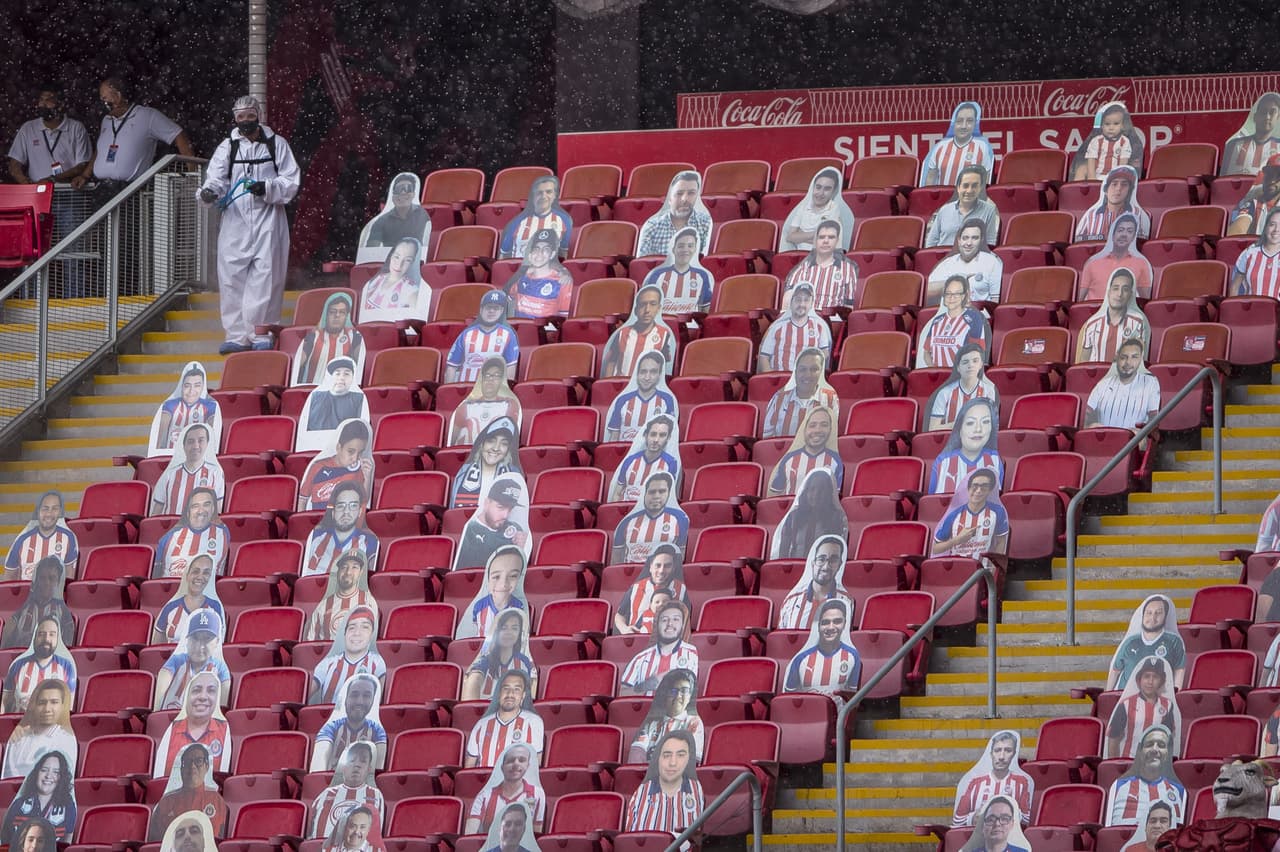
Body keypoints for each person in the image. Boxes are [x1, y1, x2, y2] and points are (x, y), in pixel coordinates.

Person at [196, 95, 298, 353]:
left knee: (266, 275)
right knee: (231, 276)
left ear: (258, 115)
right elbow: (216, 179)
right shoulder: (227, 148)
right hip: (236, 220)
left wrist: (267, 187)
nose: (245, 121)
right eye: (240, 117)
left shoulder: (277, 144)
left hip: (268, 219)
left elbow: (291, 181)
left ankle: (261, 332)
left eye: (249, 116)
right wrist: (208, 193)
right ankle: (237, 335)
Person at [78, 75, 194, 189]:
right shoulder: (106, 120)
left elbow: (179, 135)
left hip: (130, 191)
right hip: (102, 189)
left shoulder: (147, 115)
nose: (103, 104)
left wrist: (193, 174)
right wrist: (85, 175)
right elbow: (100, 151)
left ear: (118, 95)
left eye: (105, 99)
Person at [623, 729, 704, 838]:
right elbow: (630, 840)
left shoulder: (694, 789)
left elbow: (693, 840)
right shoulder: (641, 791)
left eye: (680, 755)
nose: (673, 762)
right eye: (667, 755)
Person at [1105, 724, 1186, 826]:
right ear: (1140, 752)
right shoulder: (1119, 786)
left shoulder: (1178, 790)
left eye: (1161, 745)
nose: (1154, 749)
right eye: (1149, 744)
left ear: (1168, 754)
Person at [154, 672, 231, 777]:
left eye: (211, 691)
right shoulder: (171, 730)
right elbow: (158, 776)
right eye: (196, 690)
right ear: (187, 697)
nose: (203, 697)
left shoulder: (224, 730)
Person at [951, 730, 1033, 828]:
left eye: (1007, 750)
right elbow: (957, 822)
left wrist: (1009, 814)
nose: (1001, 757)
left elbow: (1028, 820)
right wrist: (973, 818)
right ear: (991, 754)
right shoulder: (975, 783)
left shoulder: (1021, 782)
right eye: (997, 750)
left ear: (1014, 754)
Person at [154, 608, 231, 711]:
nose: (200, 646)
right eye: (195, 638)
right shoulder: (177, 661)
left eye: (207, 639)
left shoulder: (221, 669)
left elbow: (222, 710)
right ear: (187, 640)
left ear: (217, 641)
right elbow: (163, 678)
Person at [147, 744, 229, 841]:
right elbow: (154, 844)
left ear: (206, 766)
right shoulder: (166, 802)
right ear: (181, 769)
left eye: (198, 761)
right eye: (187, 762)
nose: (192, 766)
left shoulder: (217, 801)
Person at [465, 670, 545, 769]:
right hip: (484, 783)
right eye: (506, 688)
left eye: (516, 689)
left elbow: (536, 765)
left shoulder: (533, 722)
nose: (510, 694)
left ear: (523, 696)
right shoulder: (481, 725)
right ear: (499, 694)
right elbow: (469, 766)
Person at [1107, 595, 1186, 691]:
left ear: (1165, 616)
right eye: (1149, 613)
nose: (1153, 617)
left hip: (1159, 701)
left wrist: (1175, 696)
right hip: (1125, 701)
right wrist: (1107, 697)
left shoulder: (1174, 642)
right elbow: (1115, 671)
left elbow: (1179, 670)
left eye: (1158, 613)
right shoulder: (1130, 642)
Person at [310, 606, 386, 706]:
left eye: (365, 627)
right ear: (345, 633)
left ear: (371, 634)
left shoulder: (379, 662)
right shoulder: (327, 663)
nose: (357, 633)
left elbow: (378, 702)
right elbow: (304, 694)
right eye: (352, 627)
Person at [311, 672, 387, 772]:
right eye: (354, 695)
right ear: (345, 699)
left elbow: (377, 770)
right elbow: (320, 759)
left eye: (366, 696)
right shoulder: (331, 728)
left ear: (373, 701)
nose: (360, 701)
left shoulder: (377, 731)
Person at [620, 600, 699, 696]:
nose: (670, 623)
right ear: (657, 625)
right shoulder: (640, 658)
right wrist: (646, 685)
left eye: (676, 619)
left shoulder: (694, 654)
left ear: (683, 626)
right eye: (664, 620)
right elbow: (622, 694)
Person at [1, 680, 76, 781]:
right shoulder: (18, 737)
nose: (47, 709)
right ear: (34, 706)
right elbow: (8, 777)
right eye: (42, 703)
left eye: (54, 702)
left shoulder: (67, 740)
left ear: (63, 706)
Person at [1107, 657, 1180, 761]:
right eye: (1146, 676)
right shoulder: (1126, 704)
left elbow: (1168, 739)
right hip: (1129, 764)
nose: (1150, 681)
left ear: (1161, 681)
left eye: (1155, 677)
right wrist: (1115, 768)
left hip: (1156, 766)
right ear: (1139, 679)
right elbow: (1113, 739)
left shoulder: (1168, 705)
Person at [783, 598, 862, 694]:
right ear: (818, 625)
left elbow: (852, 698)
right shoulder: (800, 660)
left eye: (837, 621)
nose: (831, 627)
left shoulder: (852, 656)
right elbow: (790, 698)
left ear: (845, 624)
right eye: (825, 622)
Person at [465, 742, 546, 834]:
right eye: (510, 760)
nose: (516, 764)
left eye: (522, 760)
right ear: (502, 767)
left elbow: (535, 836)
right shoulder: (484, 796)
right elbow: (469, 836)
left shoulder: (538, 794)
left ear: (528, 765)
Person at [309, 742, 384, 841]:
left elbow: (376, 836)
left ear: (368, 769)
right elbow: (309, 830)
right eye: (352, 760)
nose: (357, 765)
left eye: (363, 761)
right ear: (344, 767)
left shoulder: (376, 795)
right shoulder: (326, 793)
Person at [303, 481, 379, 579]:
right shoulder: (315, 538)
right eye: (341, 506)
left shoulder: (370, 542)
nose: (346, 511)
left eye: (353, 506)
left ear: (360, 511)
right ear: (333, 511)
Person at [454, 475, 532, 571]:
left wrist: (524, 548)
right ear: (486, 503)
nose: (505, 515)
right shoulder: (469, 530)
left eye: (510, 509)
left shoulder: (514, 530)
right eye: (500, 507)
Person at [600, 284, 678, 379]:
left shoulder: (665, 334)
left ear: (658, 308)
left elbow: (666, 368)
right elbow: (611, 362)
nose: (647, 310)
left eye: (652, 304)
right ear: (636, 310)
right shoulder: (622, 333)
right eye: (643, 304)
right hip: (620, 387)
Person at [611, 471, 690, 566]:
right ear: (644, 494)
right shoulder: (627, 522)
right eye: (652, 492)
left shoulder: (680, 519)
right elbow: (616, 562)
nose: (656, 496)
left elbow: (680, 559)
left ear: (669, 493)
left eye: (662, 491)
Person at [928, 397, 1003, 496]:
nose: (978, 429)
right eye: (970, 423)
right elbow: (931, 502)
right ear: (959, 429)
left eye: (985, 422)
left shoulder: (995, 460)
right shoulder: (942, 462)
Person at [932, 469, 1010, 563]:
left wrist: (995, 567)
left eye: (984, 486)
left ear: (990, 490)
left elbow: (1001, 542)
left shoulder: (997, 512)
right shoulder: (954, 515)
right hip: (957, 569)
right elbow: (935, 549)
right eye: (975, 486)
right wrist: (957, 540)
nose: (978, 490)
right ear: (968, 488)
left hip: (983, 571)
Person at [628, 668, 704, 765]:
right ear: (665, 695)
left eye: (684, 691)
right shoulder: (651, 725)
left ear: (690, 696)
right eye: (673, 691)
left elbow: (692, 761)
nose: (678, 696)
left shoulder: (694, 723)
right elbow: (636, 754)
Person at [297, 418, 376, 511]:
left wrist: (367, 478)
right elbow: (302, 500)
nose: (355, 458)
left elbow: (363, 502)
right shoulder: (318, 466)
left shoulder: (360, 470)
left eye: (360, 453)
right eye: (350, 451)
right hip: (318, 522)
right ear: (339, 447)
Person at [1076, 269, 1151, 364]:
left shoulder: (1138, 322)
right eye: (1115, 288)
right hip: (1097, 378)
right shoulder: (1092, 323)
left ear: (1131, 295)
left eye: (1125, 289)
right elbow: (1084, 363)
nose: (1119, 294)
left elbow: (1139, 362)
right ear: (1109, 291)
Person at [462, 608, 538, 702]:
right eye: (504, 628)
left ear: (520, 634)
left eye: (514, 628)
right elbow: (474, 679)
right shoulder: (485, 661)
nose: (508, 633)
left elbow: (531, 691)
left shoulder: (525, 662)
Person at [152, 488, 230, 579]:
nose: (201, 511)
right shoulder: (169, 537)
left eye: (206, 505)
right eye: (195, 506)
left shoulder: (223, 534)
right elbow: (156, 577)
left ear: (213, 509)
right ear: (188, 512)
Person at [0, 751, 76, 844]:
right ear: (36, 773)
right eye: (44, 770)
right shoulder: (18, 804)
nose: (48, 776)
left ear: (62, 777)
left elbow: (67, 841)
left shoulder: (68, 807)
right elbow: (5, 840)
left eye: (56, 772)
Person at [762, 347, 838, 439]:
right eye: (802, 369)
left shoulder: (831, 399)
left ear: (821, 372)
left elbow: (831, 438)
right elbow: (767, 438)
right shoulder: (778, 398)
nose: (808, 375)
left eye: (814, 369)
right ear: (795, 372)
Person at [2, 617, 75, 714]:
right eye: (41, 634)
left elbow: (69, 708)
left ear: (57, 638)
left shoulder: (67, 666)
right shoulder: (18, 665)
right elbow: (4, 702)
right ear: (34, 637)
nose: (46, 639)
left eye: (52, 634)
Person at [916, 276, 992, 369]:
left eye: (957, 294)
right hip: (937, 376)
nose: (951, 297)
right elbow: (926, 353)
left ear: (964, 296)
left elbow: (976, 354)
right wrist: (934, 369)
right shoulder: (936, 320)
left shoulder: (974, 318)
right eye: (948, 293)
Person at [1085, 339, 1161, 431]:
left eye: (1134, 357)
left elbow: (1154, 420)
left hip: (1133, 441)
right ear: (1117, 358)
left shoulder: (1151, 382)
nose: (1128, 362)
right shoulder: (1103, 384)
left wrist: (1143, 433)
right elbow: (1086, 416)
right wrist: (1090, 426)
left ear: (1141, 359)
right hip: (1103, 440)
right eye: (1123, 357)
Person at [778, 535, 851, 630]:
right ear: (813, 563)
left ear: (840, 565)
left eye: (833, 560)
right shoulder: (791, 601)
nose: (826, 567)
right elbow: (782, 639)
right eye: (821, 559)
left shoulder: (847, 602)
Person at [771, 470, 847, 561]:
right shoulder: (793, 517)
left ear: (829, 493)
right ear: (806, 492)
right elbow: (782, 552)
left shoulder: (836, 518)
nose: (816, 494)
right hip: (795, 568)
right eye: (812, 489)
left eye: (821, 490)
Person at [767, 405, 843, 497]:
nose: (817, 430)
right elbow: (775, 494)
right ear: (805, 429)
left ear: (830, 429)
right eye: (812, 425)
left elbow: (835, 498)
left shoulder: (835, 461)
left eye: (824, 425)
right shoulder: (788, 459)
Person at [304, 550, 379, 643]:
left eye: (354, 567)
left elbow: (372, 641)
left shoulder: (369, 602)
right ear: (338, 571)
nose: (348, 572)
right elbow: (310, 644)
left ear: (361, 572)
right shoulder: (323, 606)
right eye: (344, 567)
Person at [782, 219, 859, 310]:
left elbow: (849, 307)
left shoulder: (848, 269)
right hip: (804, 320)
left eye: (831, 237)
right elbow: (787, 301)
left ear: (837, 240)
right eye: (821, 237)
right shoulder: (802, 268)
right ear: (816, 240)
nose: (826, 241)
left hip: (832, 321)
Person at [445, 290, 519, 383]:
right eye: (488, 307)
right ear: (481, 310)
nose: (491, 311)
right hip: (465, 392)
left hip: (492, 393)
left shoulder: (508, 335)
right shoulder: (467, 334)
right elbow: (452, 367)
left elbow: (510, 367)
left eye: (495, 308)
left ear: (501, 311)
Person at [297, 359, 372, 452]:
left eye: (346, 374)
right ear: (331, 377)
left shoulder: (359, 399)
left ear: (352, 378)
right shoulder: (316, 397)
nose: (341, 378)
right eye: (337, 373)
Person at [149, 362, 221, 457]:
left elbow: (213, 438)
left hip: (199, 460)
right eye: (187, 385)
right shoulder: (169, 405)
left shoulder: (211, 406)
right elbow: (158, 435)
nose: (191, 391)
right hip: (171, 460)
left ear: (203, 387)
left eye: (197, 385)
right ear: (181, 386)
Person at [613, 545, 691, 634]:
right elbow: (619, 615)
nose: (661, 571)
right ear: (650, 567)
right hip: (636, 640)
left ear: (673, 568)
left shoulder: (681, 590)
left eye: (667, 566)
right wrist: (624, 629)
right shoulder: (636, 587)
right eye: (658, 565)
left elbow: (685, 621)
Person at [293, 292, 366, 386]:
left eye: (342, 312)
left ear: (347, 316)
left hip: (342, 394)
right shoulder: (313, 336)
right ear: (326, 315)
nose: (337, 315)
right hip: (311, 392)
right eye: (333, 312)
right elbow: (299, 362)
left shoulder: (355, 336)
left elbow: (360, 360)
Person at [757, 282, 832, 373]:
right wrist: (770, 379)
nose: (802, 304)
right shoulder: (776, 328)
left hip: (807, 381)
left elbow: (825, 354)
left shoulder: (820, 327)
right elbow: (764, 358)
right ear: (791, 301)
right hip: (778, 379)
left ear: (812, 303)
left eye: (806, 300)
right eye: (798, 300)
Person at [3, 491, 78, 582]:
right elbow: (9, 579)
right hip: (26, 595)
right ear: (38, 511)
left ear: (60, 512)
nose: (49, 514)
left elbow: (70, 577)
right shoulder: (22, 540)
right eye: (45, 509)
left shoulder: (68, 538)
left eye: (54, 509)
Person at [151, 423, 224, 516]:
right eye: (190, 441)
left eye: (201, 440)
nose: (196, 446)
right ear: (184, 445)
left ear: (207, 444)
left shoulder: (216, 473)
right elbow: (156, 513)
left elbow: (218, 511)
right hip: (171, 529)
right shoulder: (169, 475)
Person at [1, 557, 75, 649]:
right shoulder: (23, 607)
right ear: (36, 580)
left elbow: (67, 644)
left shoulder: (63, 611)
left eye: (52, 578)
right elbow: (7, 635)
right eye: (42, 578)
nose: (46, 582)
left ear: (58, 582)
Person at [604, 351, 678, 443]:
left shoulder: (667, 400)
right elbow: (614, 439)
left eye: (653, 372)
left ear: (659, 375)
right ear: (637, 374)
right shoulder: (622, 400)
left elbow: (668, 440)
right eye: (643, 372)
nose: (647, 377)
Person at [450, 417, 522, 511]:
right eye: (491, 441)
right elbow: (454, 513)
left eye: (504, 444)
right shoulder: (464, 472)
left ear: (508, 449)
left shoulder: (514, 475)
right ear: (481, 443)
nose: (496, 448)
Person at [1078, 211, 1154, 300]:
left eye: (1129, 231)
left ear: (1133, 237)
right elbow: (1080, 301)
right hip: (1095, 313)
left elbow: (1145, 300)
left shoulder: (1141, 263)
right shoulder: (1092, 263)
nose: (1124, 235)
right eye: (1120, 230)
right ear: (1113, 235)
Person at [449, 356, 523, 446]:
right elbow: (451, 444)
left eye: (496, 375)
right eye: (487, 375)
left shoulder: (510, 404)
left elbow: (509, 441)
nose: (490, 379)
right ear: (482, 379)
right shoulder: (466, 406)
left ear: (501, 380)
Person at [457, 546, 529, 640]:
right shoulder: (479, 606)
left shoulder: (519, 607)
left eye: (513, 576)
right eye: (496, 577)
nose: (503, 584)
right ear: (488, 579)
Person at [357, 172, 430, 262]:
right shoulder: (381, 221)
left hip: (417, 265)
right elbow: (370, 254)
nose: (403, 193)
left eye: (408, 188)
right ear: (393, 196)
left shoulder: (424, 215)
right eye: (398, 189)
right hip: (389, 267)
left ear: (413, 194)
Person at [927, 219, 1003, 305]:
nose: (969, 243)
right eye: (965, 238)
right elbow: (927, 291)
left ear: (981, 240)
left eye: (974, 238)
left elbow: (996, 300)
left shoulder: (992, 262)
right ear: (959, 240)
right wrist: (953, 282)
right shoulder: (947, 263)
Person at [779, 166, 855, 253]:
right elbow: (790, 237)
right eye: (818, 187)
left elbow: (828, 243)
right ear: (813, 187)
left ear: (834, 192)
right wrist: (815, 234)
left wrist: (800, 235)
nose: (821, 193)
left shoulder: (835, 209)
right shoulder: (803, 207)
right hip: (799, 259)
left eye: (827, 189)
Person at [926, 343, 1000, 432]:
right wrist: (958, 425)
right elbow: (932, 428)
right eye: (965, 362)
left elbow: (992, 426)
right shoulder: (945, 393)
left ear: (981, 365)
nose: (970, 365)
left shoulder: (988, 391)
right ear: (958, 367)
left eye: (975, 361)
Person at [503, 228, 574, 319]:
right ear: (530, 254)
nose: (539, 253)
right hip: (519, 331)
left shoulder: (562, 282)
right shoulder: (521, 277)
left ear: (552, 254)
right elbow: (506, 296)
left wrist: (564, 271)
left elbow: (564, 318)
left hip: (544, 332)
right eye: (536, 249)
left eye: (546, 249)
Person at [637, 171, 712, 257]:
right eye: (679, 193)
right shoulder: (652, 228)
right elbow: (642, 266)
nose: (684, 199)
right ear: (669, 199)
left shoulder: (706, 224)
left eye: (691, 193)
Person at [642, 226, 714, 315]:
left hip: (690, 328)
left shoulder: (702, 275)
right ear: (673, 249)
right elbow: (646, 309)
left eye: (690, 246)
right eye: (681, 246)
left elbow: (705, 312)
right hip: (662, 327)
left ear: (695, 249)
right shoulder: (657, 274)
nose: (685, 250)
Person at [609, 414, 681, 503]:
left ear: (668, 438)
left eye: (662, 435)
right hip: (626, 513)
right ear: (646, 435)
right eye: (653, 434)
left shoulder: (671, 463)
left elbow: (667, 499)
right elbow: (617, 494)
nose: (656, 440)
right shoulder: (630, 460)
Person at [358, 237, 431, 324]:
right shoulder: (376, 280)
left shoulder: (410, 291)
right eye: (397, 257)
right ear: (390, 256)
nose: (399, 264)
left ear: (412, 263)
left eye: (407, 260)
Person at [925, 165, 1000, 249]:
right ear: (958, 188)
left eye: (974, 186)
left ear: (980, 188)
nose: (969, 190)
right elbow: (931, 243)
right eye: (965, 186)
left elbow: (990, 244)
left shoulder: (989, 210)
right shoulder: (944, 210)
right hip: (944, 260)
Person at [922, 102, 994, 188]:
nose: (963, 126)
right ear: (954, 123)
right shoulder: (939, 147)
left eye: (969, 121)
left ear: (975, 123)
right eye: (959, 121)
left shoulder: (983, 147)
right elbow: (930, 179)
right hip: (943, 200)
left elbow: (987, 178)